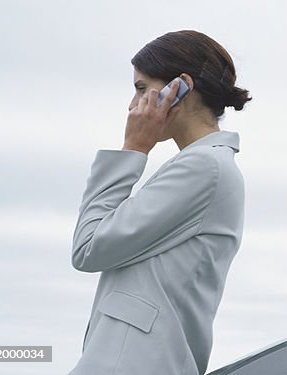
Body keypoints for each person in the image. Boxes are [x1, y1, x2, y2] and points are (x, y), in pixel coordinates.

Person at [69, 30, 251, 375]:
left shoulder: (204, 167)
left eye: (141, 88)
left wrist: (134, 149)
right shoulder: (202, 165)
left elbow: (88, 248)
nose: (131, 104)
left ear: (179, 87)